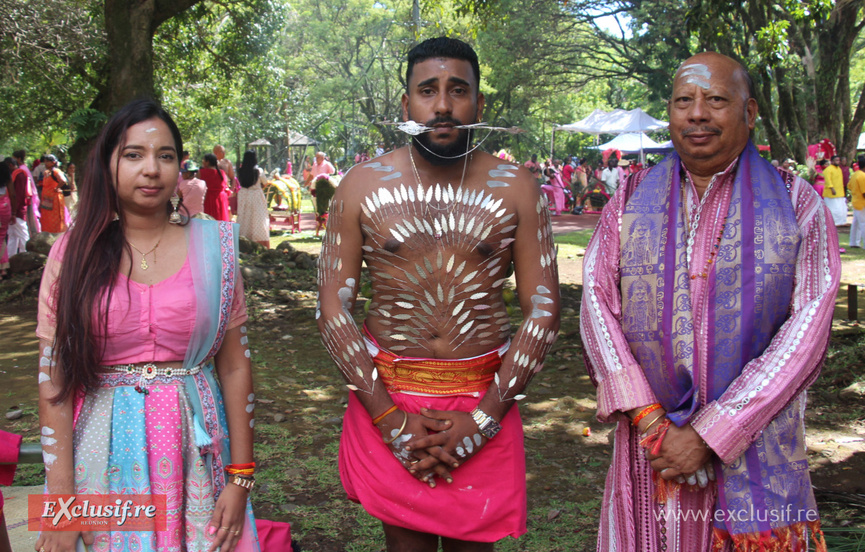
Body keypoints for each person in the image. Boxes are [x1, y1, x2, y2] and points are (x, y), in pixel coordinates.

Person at [581, 52, 838, 552]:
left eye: (716, 99)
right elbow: (596, 301)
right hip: (650, 451)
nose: (697, 113)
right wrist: (654, 423)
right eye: (683, 101)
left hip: (755, 442)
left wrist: (714, 431)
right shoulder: (630, 198)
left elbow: (809, 326)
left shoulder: (795, 202)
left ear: (750, 111)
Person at [316, 36, 560, 552]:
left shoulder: (516, 187)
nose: (443, 105)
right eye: (428, 91)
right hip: (386, 399)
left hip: (486, 400)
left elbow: (544, 311)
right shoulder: (360, 186)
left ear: (480, 103)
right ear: (406, 105)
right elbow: (333, 310)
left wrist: (483, 420)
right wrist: (389, 419)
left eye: (458, 90)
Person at [34, 98, 260, 552]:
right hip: (102, 451)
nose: (151, 169)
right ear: (108, 165)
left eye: (166, 155)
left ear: (179, 166)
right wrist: (60, 506)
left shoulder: (214, 249)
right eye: (133, 154)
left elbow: (235, 367)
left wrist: (241, 478)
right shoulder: (72, 253)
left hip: (197, 450)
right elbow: (53, 376)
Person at [236, 150, 270, 248]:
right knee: (258, 218)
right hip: (256, 195)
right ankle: (260, 242)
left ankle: (244, 241)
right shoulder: (259, 171)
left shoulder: (240, 171)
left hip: (243, 195)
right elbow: (265, 183)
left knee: (244, 217)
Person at [6, 156, 31, 255]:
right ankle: (11, 257)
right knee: (12, 234)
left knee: (22, 233)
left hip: (17, 210)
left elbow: (19, 196)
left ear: (10, 165)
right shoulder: (15, 175)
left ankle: (26, 255)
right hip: (13, 209)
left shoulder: (19, 176)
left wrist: (14, 212)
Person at [38, 155, 69, 233]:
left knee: (56, 220)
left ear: (53, 163)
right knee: (47, 219)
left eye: (47, 161)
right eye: (45, 161)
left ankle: (57, 236)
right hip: (47, 201)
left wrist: (57, 188)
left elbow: (63, 180)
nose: (45, 163)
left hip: (55, 201)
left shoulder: (56, 171)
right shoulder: (48, 172)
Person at [200, 153, 232, 221]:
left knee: (209, 220)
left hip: (208, 198)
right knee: (221, 220)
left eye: (204, 160)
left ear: (207, 162)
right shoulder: (222, 173)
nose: (203, 162)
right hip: (221, 198)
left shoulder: (201, 172)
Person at [823, 155, 846, 226]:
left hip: (840, 192)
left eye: (839, 160)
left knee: (841, 209)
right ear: (832, 161)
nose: (838, 162)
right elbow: (828, 180)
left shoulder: (839, 169)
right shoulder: (828, 169)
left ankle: (840, 222)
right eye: (836, 160)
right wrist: (832, 188)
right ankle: (832, 223)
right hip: (831, 193)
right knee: (833, 209)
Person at [849, 155, 865, 248]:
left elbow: (849, 186)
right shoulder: (863, 176)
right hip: (862, 202)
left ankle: (854, 242)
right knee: (863, 223)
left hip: (855, 201)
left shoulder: (855, 174)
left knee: (856, 223)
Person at [0, 162, 11, 279]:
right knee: (2, 237)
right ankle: (3, 268)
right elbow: (12, 194)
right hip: (4, 208)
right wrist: (13, 214)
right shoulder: (7, 178)